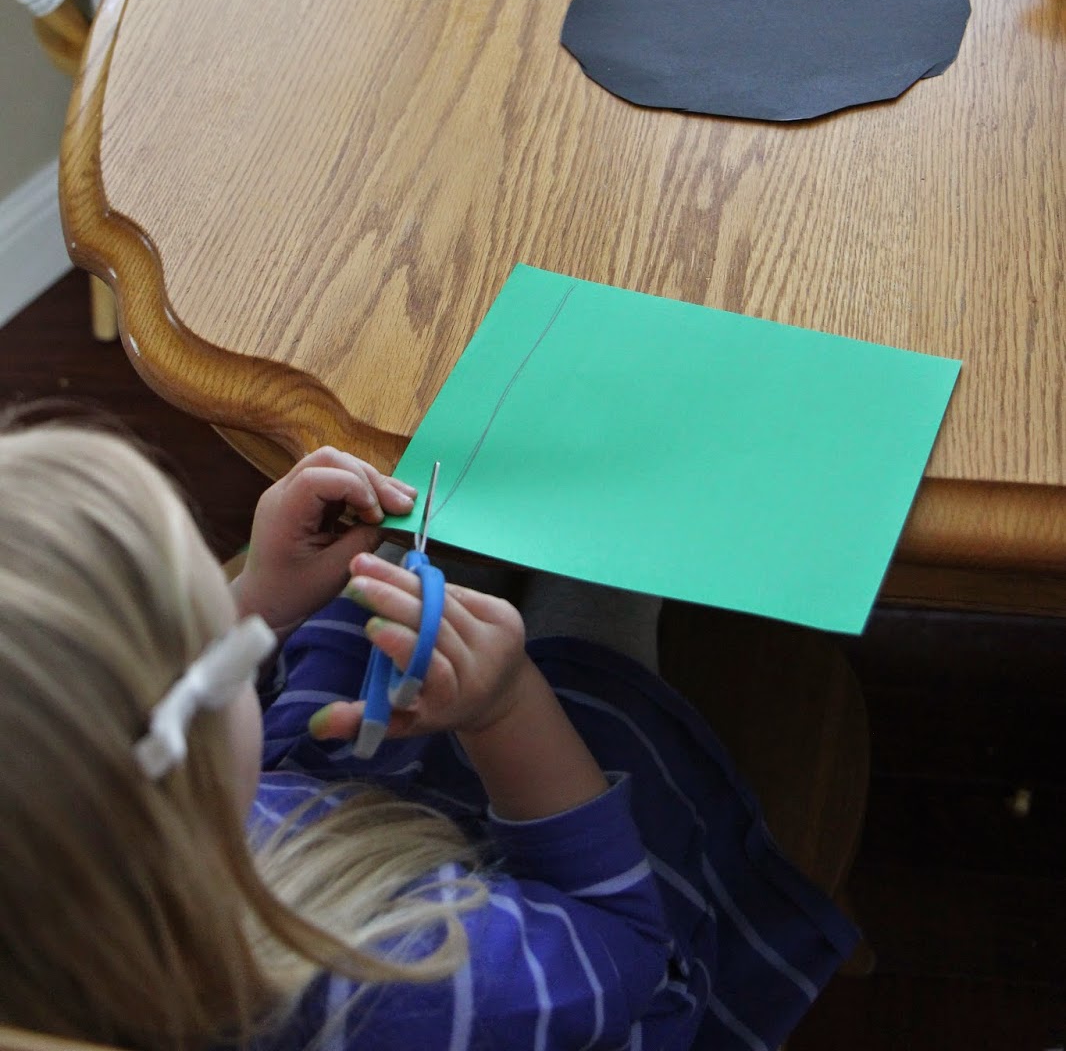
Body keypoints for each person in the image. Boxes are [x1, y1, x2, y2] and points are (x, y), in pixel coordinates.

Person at [0, 416, 858, 1050]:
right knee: (596, 694)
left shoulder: (72, 872)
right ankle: (596, 599)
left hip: (322, 822)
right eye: (214, 637)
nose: (239, 625)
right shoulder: (419, 984)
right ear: (175, 759)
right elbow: (622, 939)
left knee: (379, 596)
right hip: (574, 940)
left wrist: (267, 592)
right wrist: (509, 705)